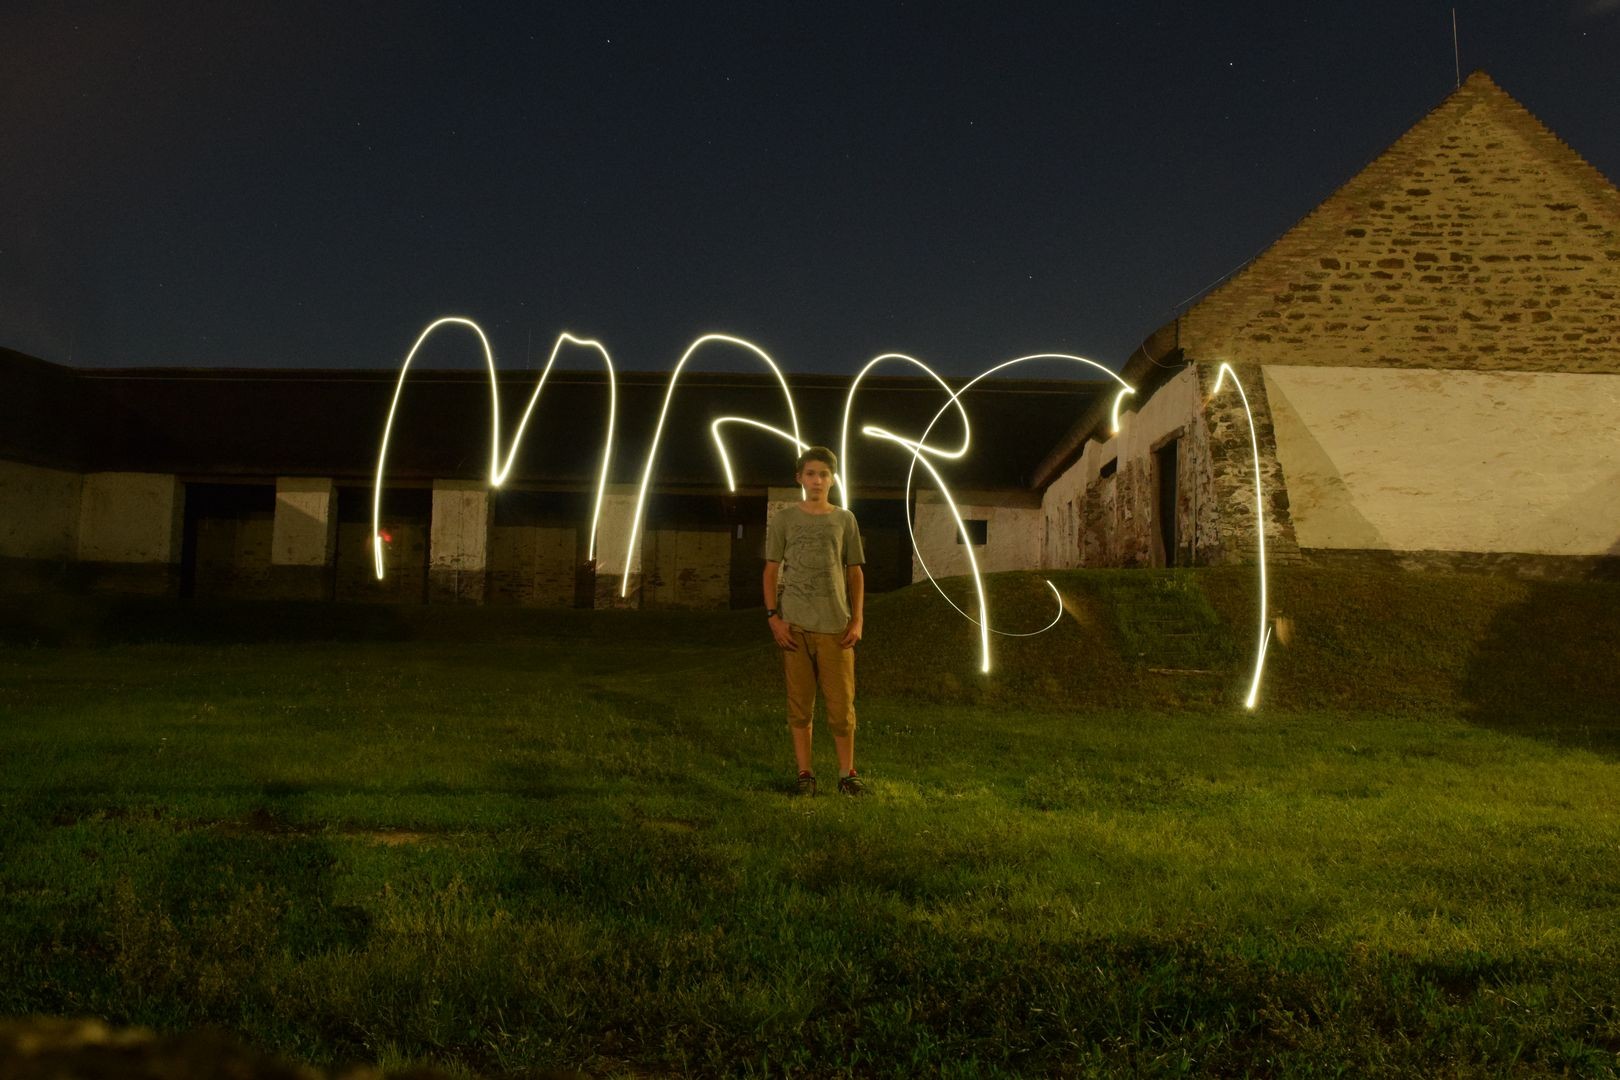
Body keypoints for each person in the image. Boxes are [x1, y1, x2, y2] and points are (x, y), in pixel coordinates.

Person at [763, 446, 866, 797]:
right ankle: (804, 773)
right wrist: (774, 618)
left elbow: (854, 572)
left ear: (833, 479)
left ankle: (847, 774)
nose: (817, 480)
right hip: (795, 627)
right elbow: (770, 570)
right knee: (799, 705)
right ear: (800, 478)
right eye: (810, 474)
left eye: (823, 474)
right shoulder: (784, 520)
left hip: (835, 627)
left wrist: (857, 619)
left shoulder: (845, 520)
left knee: (841, 707)